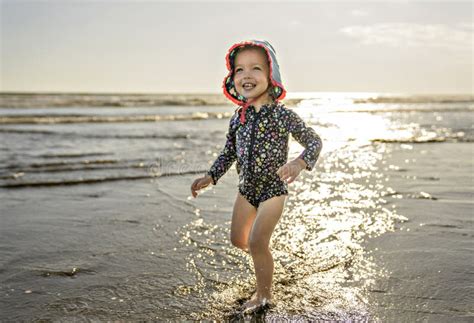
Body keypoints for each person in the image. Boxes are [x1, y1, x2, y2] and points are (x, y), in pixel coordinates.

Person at [190, 39, 323, 313]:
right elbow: (229, 152)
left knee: (256, 241)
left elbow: (314, 142)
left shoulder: (282, 115)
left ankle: (264, 295)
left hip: (272, 189)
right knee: (239, 240)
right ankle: (266, 263)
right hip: (246, 189)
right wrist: (211, 176)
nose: (246, 75)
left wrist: (299, 164)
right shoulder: (238, 118)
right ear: (233, 78)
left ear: (271, 76)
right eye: (239, 70)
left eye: (255, 68)